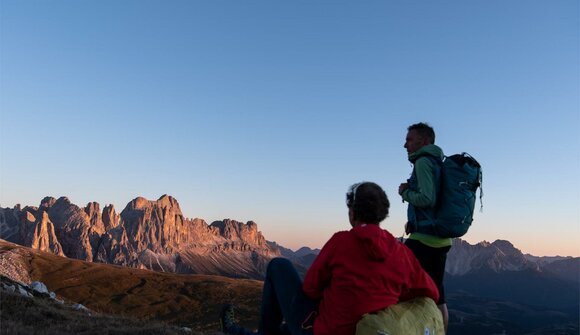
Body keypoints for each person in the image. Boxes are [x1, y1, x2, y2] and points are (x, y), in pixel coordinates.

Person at [220, 181, 439, 335]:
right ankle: (236, 329)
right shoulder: (402, 252)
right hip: (372, 330)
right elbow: (432, 293)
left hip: (322, 330)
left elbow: (310, 289)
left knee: (279, 265)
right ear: (382, 215)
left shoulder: (341, 241)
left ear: (352, 212)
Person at [398, 122, 452, 332]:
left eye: (410, 140)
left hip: (423, 239)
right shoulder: (439, 162)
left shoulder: (422, 162)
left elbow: (427, 198)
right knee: (438, 293)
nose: (405, 145)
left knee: (401, 286)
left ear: (425, 141)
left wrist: (405, 192)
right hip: (441, 238)